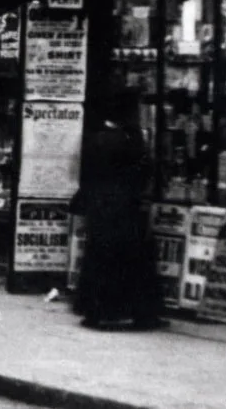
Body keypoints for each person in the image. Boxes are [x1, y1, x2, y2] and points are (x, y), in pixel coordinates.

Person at [73, 97, 164, 330]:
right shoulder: (131, 140)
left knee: (99, 259)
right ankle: (138, 312)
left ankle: (96, 311)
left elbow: (84, 173)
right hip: (126, 208)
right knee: (133, 261)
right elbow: (146, 170)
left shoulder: (95, 140)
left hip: (101, 206)